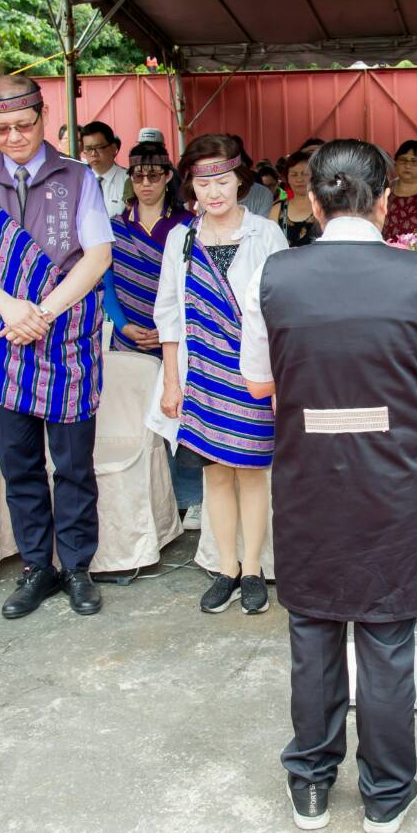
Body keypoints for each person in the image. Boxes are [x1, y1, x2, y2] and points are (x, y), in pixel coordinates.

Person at [239, 139, 417, 833]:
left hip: (310, 478)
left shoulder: (273, 275)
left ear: (312, 202)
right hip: (394, 481)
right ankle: (386, 795)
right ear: (385, 202)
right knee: (387, 637)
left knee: (313, 632)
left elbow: (258, 384)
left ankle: (311, 783)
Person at [0, 76, 113, 619]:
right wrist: (10, 308)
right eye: (1, 129)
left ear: (43, 116)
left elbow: (98, 256)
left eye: (23, 124)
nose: (14, 137)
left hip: (66, 342)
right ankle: (37, 566)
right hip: (3, 341)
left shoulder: (78, 176)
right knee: (19, 465)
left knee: (74, 465)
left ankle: (78, 566)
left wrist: (43, 313)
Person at [149, 134, 287, 615]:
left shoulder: (266, 234)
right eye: (204, 182)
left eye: (223, 181)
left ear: (239, 181)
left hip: (252, 375)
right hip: (201, 376)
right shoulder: (180, 239)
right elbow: (168, 313)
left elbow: (281, 310)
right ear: (191, 186)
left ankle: (252, 570)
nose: (214, 192)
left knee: (251, 472)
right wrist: (172, 382)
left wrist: (279, 382)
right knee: (216, 475)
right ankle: (226, 568)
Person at [103, 140, 201, 526]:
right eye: (138, 175)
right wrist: (122, 324)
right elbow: (105, 280)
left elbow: (191, 284)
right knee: (133, 419)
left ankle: (189, 497)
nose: (146, 183)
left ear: (168, 177)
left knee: (181, 418)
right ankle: (143, 495)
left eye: (154, 175)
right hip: (126, 336)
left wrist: (167, 330)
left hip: (174, 336)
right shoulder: (114, 226)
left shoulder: (187, 225)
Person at [79, 120, 128, 218]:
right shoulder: (80, 181)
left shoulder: (128, 180)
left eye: (99, 147)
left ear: (113, 148)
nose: (93, 154)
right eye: (88, 149)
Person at [275, 150, 321, 247]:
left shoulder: (325, 208)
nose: (299, 179)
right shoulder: (276, 210)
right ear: (287, 178)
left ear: (314, 176)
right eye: (294, 174)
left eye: (305, 174)